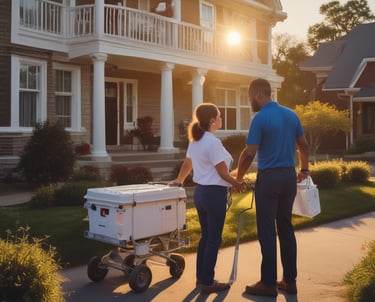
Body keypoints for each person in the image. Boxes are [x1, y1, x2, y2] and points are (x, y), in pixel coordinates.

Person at [234, 78, 309, 297]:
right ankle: (289, 281)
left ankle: (268, 283)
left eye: (249, 97)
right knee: (285, 227)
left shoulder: (260, 118)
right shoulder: (291, 114)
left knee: (267, 230)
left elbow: (249, 152)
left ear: (258, 94)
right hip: (288, 177)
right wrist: (304, 170)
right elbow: (303, 145)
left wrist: (238, 177)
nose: (250, 102)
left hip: (269, 179)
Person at [170, 103, 243, 295]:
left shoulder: (196, 141)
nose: (221, 118)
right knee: (213, 239)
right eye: (219, 116)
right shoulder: (212, 142)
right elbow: (222, 172)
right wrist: (237, 183)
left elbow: (188, 163)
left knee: (206, 237)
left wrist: (179, 180)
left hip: (201, 194)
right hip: (213, 194)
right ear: (212, 121)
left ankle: (201, 278)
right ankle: (207, 282)